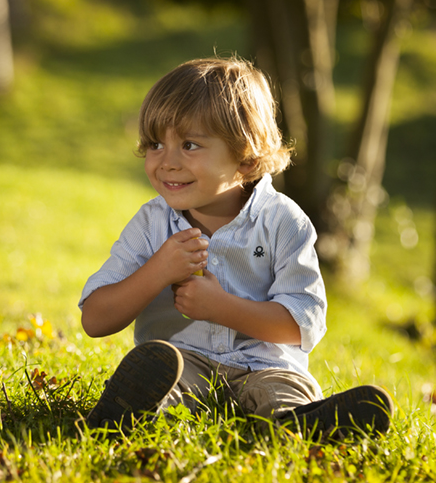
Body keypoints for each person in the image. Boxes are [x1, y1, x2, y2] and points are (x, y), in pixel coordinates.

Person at [79, 56, 394, 437]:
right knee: (168, 382)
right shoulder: (152, 224)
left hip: (266, 366)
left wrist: (221, 308)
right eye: (156, 144)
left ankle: (299, 426)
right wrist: (157, 272)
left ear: (246, 159)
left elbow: (303, 323)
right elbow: (95, 319)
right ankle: (129, 414)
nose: (167, 162)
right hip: (185, 363)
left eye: (190, 145)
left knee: (283, 392)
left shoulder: (283, 222)